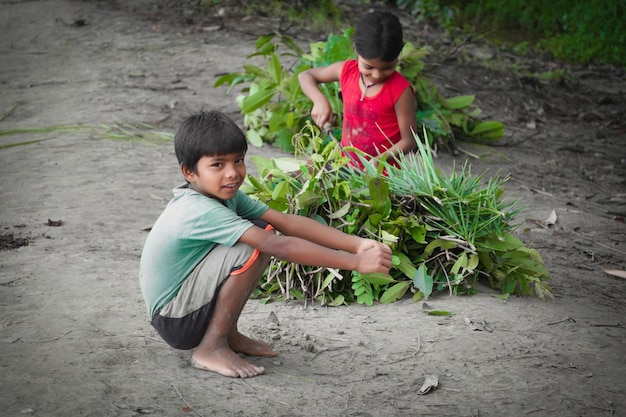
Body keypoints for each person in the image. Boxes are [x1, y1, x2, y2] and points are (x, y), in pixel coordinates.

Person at [139, 110, 393, 379]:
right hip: (175, 318)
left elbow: (285, 221)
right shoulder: (199, 209)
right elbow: (278, 246)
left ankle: (226, 335)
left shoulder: (224, 196)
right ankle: (210, 348)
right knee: (253, 245)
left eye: (238, 161)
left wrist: (356, 244)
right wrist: (354, 263)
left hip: (185, 307)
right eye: (218, 165)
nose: (232, 173)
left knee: (261, 230)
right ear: (189, 172)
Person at [298, 10, 417, 168]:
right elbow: (305, 76)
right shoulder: (346, 71)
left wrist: (379, 161)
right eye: (369, 67)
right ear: (356, 49)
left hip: (382, 175)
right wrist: (319, 101)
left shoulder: (400, 91)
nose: (377, 74)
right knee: (297, 172)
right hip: (345, 163)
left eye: (388, 67)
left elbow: (409, 140)